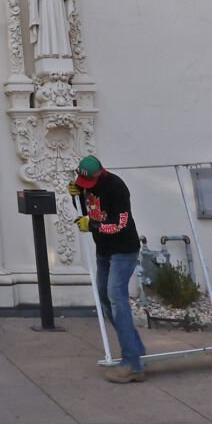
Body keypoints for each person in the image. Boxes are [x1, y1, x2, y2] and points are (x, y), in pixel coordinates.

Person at [71, 155, 146, 383]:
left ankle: (132, 363)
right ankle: (135, 346)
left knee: (117, 297)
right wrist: (76, 198)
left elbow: (120, 224)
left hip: (123, 250)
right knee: (104, 297)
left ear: (100, 173)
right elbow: (87, 211)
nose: (86, 188)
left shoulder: (116, 187)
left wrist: (93, 226)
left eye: (88, 184)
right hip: (103, 250)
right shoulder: (87, 186)